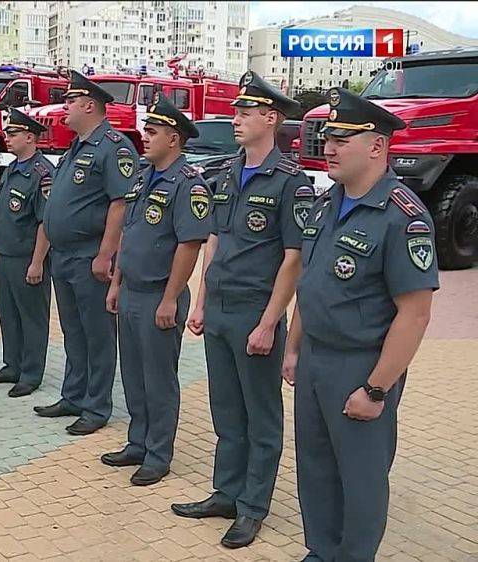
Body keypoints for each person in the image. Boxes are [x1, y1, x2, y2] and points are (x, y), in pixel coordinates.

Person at [284, 87, 437, 562]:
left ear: (377, 146)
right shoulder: (328, 204)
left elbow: (414, 313)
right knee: (315, 468)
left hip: (360, 367)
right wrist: (293, 348)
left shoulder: (402, 216)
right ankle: (323, 550)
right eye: (328, 137)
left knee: (361, 475)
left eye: (342, 139)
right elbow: (311, 286)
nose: (328, 147)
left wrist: (376, 389)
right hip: (314, 361)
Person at [171, 71, 310, 549]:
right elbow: (215, 237)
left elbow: (293, 260)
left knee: (261, 415)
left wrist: (270, 322)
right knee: (226, 410)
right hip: (222, 309)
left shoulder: (291, 181)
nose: (235, 119)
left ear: (270, 119)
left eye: (244, 112)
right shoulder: (228, 172)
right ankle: (226, 492)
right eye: (236, 111)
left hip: (256, 311)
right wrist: (203, 300)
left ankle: (253, 506)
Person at [101, 93, 210, 486]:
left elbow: (189, 244)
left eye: (153, 131)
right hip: (131, 290)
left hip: (158, 297)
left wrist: (170, 298)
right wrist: (116, 283)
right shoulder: (143, 177)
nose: (144, 137)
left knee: (158, 378)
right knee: (132, 373)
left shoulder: (188, 184)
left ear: (174, 138)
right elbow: (129, 235)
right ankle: (138, 441)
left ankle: (159, 452)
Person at [35, 71, 137, 436]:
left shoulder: (114, 147)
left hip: (89, 255)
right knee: (73, 330)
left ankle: (97, 405)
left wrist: (106, 254)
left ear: (88, 105)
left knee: (97, 334)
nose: (64, 108)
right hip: (64, 256)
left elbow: (120, 203)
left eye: (69, 102)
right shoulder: (76, 147)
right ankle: (73, 395)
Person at [0, 108, 53, 398]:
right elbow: (7, 216)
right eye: (7, 133)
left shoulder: (42, 173)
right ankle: (12, 364)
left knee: (32, 317)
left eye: (13, 134)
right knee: (8, 314)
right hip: (8, 255)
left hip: (28, 258)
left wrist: (37, 262)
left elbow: (44, 223)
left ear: (30, 137)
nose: (7, 138)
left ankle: (31, 372)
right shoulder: (12, 169)